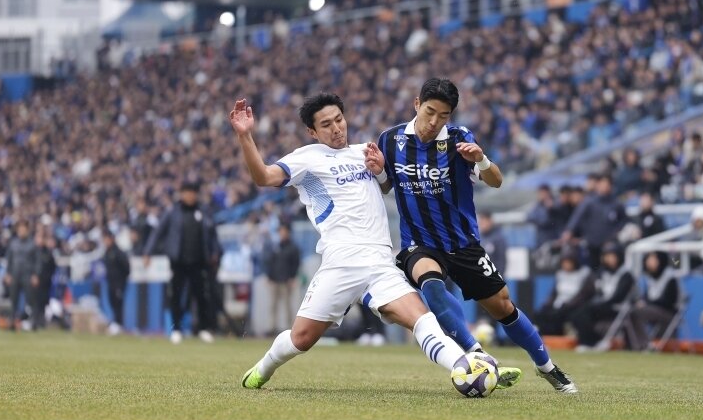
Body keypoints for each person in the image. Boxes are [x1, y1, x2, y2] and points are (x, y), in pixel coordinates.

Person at [230, 94, 494, 390]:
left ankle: (464, 368)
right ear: (313, 132)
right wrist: (245, 136)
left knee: (421, 318)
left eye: (339, 120)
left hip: (380, 262)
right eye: (326, 125)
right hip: (341, 263)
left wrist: (381, 170)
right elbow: (263, 177)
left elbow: (385, 187)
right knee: (300, 339)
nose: (336, 129)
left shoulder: (365, 151)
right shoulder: (307, 157)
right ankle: (263, 369)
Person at [367, 78, 576, 393]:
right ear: (416, 105)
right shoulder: (390, 139)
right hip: (420, 243)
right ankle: (476, 353)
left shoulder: (459, 140)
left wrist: (481, 159)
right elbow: (385, 187)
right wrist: (380, 171)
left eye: (444, 116)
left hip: (463, 243)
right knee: (431, 284)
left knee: (503, 307)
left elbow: (496, 181)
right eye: (430, 112)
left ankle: (546, 366)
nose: (434, 122)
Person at [144, 181, 219, 344]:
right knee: (175, 296)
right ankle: (176, 330)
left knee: (201, 297)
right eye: (187, 192)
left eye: (192, 192)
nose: (190, 196)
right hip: (178, 262)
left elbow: (212, 234)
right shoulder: (172, 212)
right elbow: (158, 232)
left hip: (199, 261)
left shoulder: (203, 211)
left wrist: (215, 253)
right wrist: (148, 252)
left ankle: (203, 329)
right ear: (182, 194)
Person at [570, 242, 638, 351]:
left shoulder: (626, 274)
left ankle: (591, 342)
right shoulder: (603, 273)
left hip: (616, 307)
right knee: (577, 312)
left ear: (619, 256)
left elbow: (618, 296)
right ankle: (589, 340)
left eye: (612, 256)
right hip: (602, 305)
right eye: (607, 256)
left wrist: (600, 303)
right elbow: (598, 291)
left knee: (586, 311)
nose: (609, 259)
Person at [534, 248, 592, 336]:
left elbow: (582, 295)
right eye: (564, 262)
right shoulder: (560, 274)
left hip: (573, 306)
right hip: (559, 304)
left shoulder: (583, 274)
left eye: (569, 262)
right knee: (541, 313)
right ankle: (543, 338)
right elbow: (554, 293)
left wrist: (568, 305)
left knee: (564, 314)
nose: (566, 265)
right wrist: (548, 304)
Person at [630, 251, 680, 350]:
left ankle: (645, 344)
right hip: (654, 310)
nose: (649, 262)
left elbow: (669, 301)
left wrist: (647, 303)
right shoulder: (649, 277)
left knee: (636, 312)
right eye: (648, 259)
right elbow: (647, 297)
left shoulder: (671, 277)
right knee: (631, 310)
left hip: (668, 312)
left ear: (661, 261)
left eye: (653, 259)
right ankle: (636, 344)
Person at [263, 223, 301, 336]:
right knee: (273, 306)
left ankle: (291, 330)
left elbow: (296, 264)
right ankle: (272, 328)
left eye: (284, 231)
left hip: (286, 281)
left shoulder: (293, 248)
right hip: (275, 280)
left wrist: (293, 277)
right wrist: (269, 277)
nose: (282, 233)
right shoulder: (277, 246)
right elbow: (271, 263)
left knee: (288, 305)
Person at [4, 221, 36, 332]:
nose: (21, 232)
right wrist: (8, 273)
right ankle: (12, 321)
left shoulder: (32, 244)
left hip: (27, 275)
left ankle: (32, 322)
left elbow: (36, 261)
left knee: (30, 300)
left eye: (23, 229)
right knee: (13, 300)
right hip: (15, 274)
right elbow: (9, 260)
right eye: (20, 229)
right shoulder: (13, 243)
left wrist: (35, 275)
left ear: (27, 230)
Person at [102, 231, 130, 335]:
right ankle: (115, 323)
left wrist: (121, 280)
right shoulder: (106, 252)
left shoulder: (118, 252)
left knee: (118, 303)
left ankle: (119, 324)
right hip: (110, 282)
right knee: (112, 302)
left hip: (119, 283)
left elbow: (127, 268)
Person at [30, 228, 56, 331]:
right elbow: (29, 266)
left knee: (43, 303)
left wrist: (47, 277)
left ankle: (41, 322)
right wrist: (33, 276)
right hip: (34, 282)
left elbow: (52, 267)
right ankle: (34, 322)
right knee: (34, 303)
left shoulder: (48, 253)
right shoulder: (33, 252)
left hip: (45, 282)